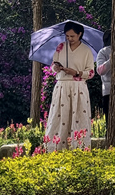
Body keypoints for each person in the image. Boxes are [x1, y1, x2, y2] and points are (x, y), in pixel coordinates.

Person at [44, 21, 95, 150]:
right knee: (59, 116)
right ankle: (56, 148)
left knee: (78, 117)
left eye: (72, 36)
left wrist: (76, 72)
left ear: (80, 34)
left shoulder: (86, 50)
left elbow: (91, 73)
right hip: (62, 86)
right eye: (67, 36)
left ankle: (78, 147)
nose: (69, 39)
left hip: (78, 88)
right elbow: (52, 66)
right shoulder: (61, 47)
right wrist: (56, 67)